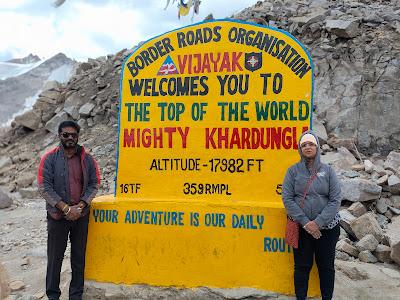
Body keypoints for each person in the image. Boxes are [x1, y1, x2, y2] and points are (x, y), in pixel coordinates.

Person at [37, 120, 100, 300]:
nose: (70, 138)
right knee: (55, 259)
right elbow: (44, 186)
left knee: (78, 259)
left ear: (78, 136)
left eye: (73, 135)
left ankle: (76, 296)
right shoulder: (49, 158)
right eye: (66, 135)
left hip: (81, 215)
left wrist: (81, 206)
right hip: (57, 216)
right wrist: (65, 208)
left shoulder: (87, 158)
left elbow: (94, 183)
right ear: (59, 136)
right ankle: (53, 296)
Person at [282, 131, 342, 300]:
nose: (307, 147)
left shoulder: (328, 171)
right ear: (300, 149)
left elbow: (335, 199)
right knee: (301, 267)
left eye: (311, 144)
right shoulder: (293, 171)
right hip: (302, 228)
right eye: (304, 145)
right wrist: (306, 223)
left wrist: (318, 223)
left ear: (317, 146)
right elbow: (287, 198)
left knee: (326, 267)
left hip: (328, 229)